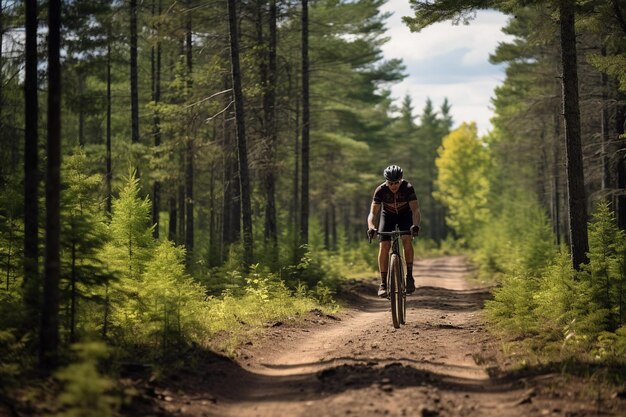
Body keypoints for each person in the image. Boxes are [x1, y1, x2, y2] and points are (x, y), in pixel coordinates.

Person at [367, 165, 421, 297]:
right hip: (388, 216)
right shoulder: (380, 191)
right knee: (384, 245)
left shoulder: (408, 188)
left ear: (401, 180)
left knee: (407, 240)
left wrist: (415, 225)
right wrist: (371, 227)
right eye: (390, 183)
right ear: (386, 181)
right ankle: (383, 283)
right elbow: (373, 214)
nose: (393, 186)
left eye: (396, 183)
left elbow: (415, 210)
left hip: (405, 216)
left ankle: (409, 276)